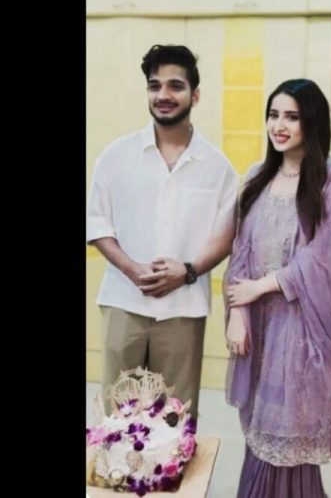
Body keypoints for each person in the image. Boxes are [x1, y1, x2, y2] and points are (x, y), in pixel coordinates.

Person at [86, 44, 239, 420]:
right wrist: (131, 269)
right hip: (124, 301)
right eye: (155, 86)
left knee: (175, 415)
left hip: (184, 307)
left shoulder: (218, 167)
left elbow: (227, 234)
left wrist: (187, 271)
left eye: (175, 86)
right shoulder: (116, 155)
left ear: (195, 95)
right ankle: (115, 479)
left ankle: (170, 481)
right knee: (116, 415)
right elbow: (96, 221)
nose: (163, 95)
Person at [223, 79, 331, 497]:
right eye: (274, 114)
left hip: (300, 330)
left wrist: (259, 288)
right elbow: (239, 249)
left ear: (310, 122)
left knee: (287, 433)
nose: (278, 125)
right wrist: (239, 314)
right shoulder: (257, 176)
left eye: (291, 117)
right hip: (258, 324)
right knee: (258, 432)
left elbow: (324, 257)